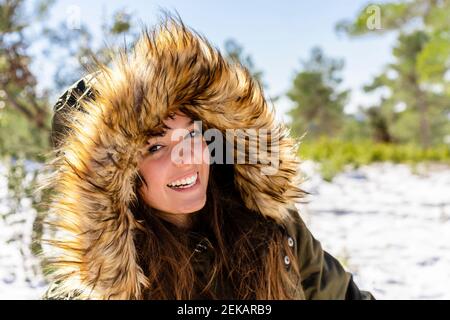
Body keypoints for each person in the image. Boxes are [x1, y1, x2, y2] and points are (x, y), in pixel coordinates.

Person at [42, 15, 374, 300]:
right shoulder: (99, 287)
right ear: (111, 180)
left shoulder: (272, 226)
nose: (187, 157)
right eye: (155, 147)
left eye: (191, 134)